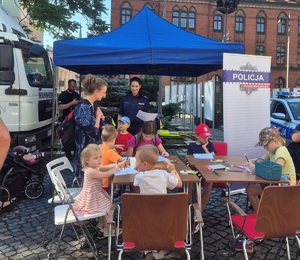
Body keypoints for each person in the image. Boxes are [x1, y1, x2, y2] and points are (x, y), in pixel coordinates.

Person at [71, 144, 124, 237]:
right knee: (109, 207)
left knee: (108, 204)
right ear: (87, 160)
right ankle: (108, 229)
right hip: (91, 198)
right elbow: (106, 174)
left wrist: (118, 165)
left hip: (96, 193)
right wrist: (116, 168)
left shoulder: (94, 167)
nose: (99, 160)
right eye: (96, 158)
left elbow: (107, 167)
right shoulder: (91, 172)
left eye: (100, 157)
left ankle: (102, 224)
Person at [246, 127, 296, 212]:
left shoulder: (281, 151)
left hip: (285, 188)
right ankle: (262, 214)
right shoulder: (273, 151)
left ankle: (262, 216)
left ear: (275, 141)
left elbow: (274, 171)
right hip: (278, 185)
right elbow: (261, 159)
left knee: (251, 189)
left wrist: (255, 167)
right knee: (250, 189)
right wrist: (252, 161)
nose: (264, 147)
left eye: (266, 144)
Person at [73, 74, 107, 183]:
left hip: (90, 152)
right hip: (84, 153)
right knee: (86, 185)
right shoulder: (84, 107)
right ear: (96, 91)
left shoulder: (91, 105)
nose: (104, 95)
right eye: (103, 92)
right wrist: (97, 117)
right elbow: (92, 133)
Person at [187, 124, 216, 212]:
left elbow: (212, 157)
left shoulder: (209, 145)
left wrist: (205, 148)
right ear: (196, 136)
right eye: (203, 137)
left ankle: (201, 209)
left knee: (209, 183)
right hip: (195, 170)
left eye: (207, 137)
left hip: (207, 170)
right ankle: (190, 206)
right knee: (191, 183)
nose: (206, 139)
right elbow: (188, 159)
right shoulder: (191, 146)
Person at [99, 125, 127, 193]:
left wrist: (113, 146)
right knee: (106, 198)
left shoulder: (98, 147)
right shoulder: (110, 152)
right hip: (106, 181)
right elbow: (123, 160)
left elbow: (105, 147)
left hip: (97, 180)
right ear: (113, 140)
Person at [57, 79, 80, 160]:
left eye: (75, 87)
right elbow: (60, 107)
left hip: (75, 120)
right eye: (72, 86)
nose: (74, 88)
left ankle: (75, 155)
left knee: (75, 138)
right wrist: (72, 103)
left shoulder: (76, 94)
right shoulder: (63, 95)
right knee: (66, 138)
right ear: (69, 85)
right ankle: (68, 156)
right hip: (66, 120)